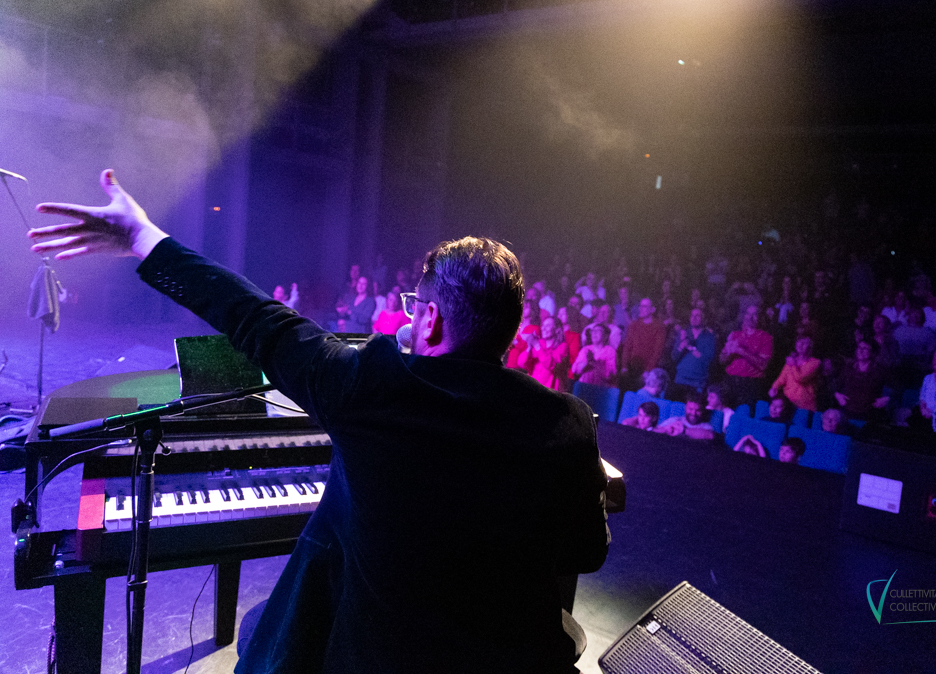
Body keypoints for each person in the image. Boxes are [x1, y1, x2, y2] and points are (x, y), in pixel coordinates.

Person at [29, 169, 609, 674]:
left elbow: (257, 318)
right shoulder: (568, 421)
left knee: (278, 628)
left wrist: (141, 238)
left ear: (431, 320)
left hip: (380, 659)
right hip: (515, 658)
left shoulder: (373, 385)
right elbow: (587, 554)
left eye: (415, 309)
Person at [720, 305, 774, 407]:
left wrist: (742, 351)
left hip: (751, 384)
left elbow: (763, 365)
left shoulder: (766, 338)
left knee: (745, 414)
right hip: (730, 381)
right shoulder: (735, 334)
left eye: (755, 315)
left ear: (760, 318)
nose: (750, 317)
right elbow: (722, 360)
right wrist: (728, 352)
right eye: (748, 314)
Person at [834, 339, 890, 422]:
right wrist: (837, 395)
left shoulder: (879, 370)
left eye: (865, 348)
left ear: (873, 352)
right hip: (848, 409)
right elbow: (836, 385)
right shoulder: (849, 367)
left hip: (870, 413)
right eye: (859, 347)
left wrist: (887, 398)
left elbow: (896, 387)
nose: (860, 350)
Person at [620, 297, 667, 386]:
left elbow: (657, 351)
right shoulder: (634, 325)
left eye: (644, 306)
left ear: (652, 309)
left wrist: (648, 370)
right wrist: (624, 366)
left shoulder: (659, 327)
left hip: (648, 371)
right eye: (640, 306)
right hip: (632, 368)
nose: (641, 309)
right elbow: (627, 347)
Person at [670, 307, 716, 397]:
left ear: (703, 318)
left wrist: (699, 355)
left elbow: (711, 360)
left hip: (698, 381)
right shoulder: (683, 333)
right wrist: (681, 346)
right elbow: (674, 357)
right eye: (692, 315)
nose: (694, 318)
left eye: (697, 315)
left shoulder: (709, 336)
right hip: (681, 378)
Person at [768, 335, 821, 412]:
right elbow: (782, 378)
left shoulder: (815, 363)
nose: (800, 344)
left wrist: (793, 365)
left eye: (804, 343)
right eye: (799, 342)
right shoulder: (792, 360)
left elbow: (800, 378)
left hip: (804, 405)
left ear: (810, 346)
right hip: (788, 402)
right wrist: (774, 387)